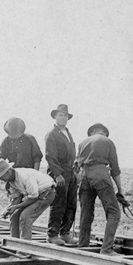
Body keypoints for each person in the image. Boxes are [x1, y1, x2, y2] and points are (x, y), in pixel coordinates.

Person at [76, 123, 126, 256]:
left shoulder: (82, 143)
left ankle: (83, 246)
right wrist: (120, 191)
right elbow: (115, 169)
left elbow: (76, 165)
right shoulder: (108, 141)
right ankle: (107, 249)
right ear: (104, 132)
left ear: (91, 133)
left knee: (86, 212)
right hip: (100, 173)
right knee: (114, 212)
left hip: (83, 175)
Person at [0, 159, 56, 241]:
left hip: (46, 194)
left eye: (2, 176)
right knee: (14, 215)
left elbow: (34, 197)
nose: (1, 179)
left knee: (25, 216)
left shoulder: (24, 176)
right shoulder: (11, 181)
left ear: (9, 171)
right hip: (33, 196)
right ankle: (15, 243)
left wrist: (17, 206)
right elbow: (17, 198)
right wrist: (8, 209)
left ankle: (25, 249)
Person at [44, 104, 78, 246]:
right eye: (60, 115)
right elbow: (50, 157)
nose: (63, 117)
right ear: (55, 117)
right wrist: (57, 175)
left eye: (65, 115)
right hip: (59, 171)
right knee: (59, 203)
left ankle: (65, 233)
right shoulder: (52, 134)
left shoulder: (68, 133)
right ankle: (52, 234)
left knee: (71, 203)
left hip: (71, 172)